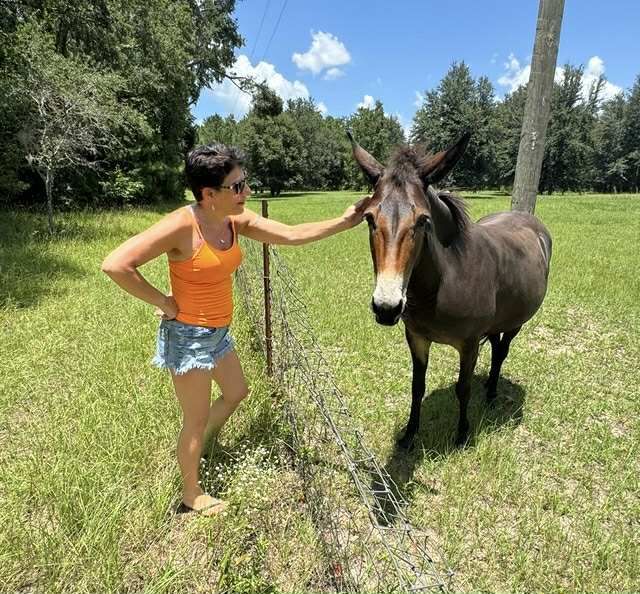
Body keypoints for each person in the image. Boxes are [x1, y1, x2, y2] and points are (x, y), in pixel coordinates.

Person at [101, 144, 366, 516]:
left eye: (245, 182)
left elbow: (290, 234)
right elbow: (115, 264)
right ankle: (191, 494)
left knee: (237, 392)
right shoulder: (181, 225)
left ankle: (203, 443)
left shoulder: (233, 219)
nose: (248, 191)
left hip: (219, 333)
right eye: (238, 186)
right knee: (193, 420)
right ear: (209, 195)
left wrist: (344, 222)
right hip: (189, 337)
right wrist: (164, 302)